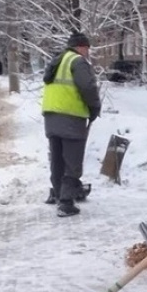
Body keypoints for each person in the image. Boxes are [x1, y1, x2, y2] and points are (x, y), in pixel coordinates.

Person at [41, 32, 102, 217]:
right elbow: (88, 87)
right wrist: (94, 108)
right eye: (87, 48)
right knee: (72, 160)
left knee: (57, 158)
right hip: (70, 117)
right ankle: (66, 202)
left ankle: (58, 193)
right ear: (82, 47)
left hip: (51, 117)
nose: (88, 52)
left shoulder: (58, 60)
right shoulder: (78, 61)